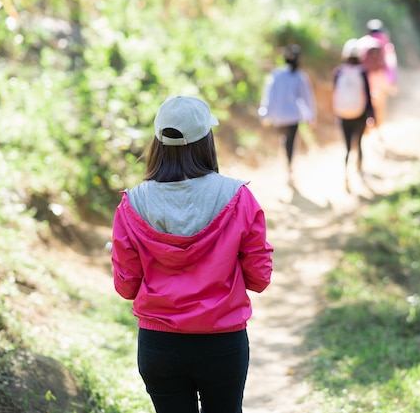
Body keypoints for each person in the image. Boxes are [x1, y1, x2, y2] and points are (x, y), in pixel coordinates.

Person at [111, 95, 273, 413]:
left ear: (158, 142)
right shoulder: (238, 197)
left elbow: (126, 286)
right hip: (222, 342)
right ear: (205, 142)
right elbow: (260, 277)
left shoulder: (133, 204)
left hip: (160, 344)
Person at [258, 44, 317, 184]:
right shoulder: (299, 76)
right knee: (291, 143)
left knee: (284, 140)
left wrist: (265, 114)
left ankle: (287, 166)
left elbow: (269, 95)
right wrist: (310, 116)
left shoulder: (276, 75)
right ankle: (289, 168)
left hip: (279, 117)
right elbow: (307, 98)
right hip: (292, 117)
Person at [332, 38, 375, 192]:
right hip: (360, 114)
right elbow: (368, 95)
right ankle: (360, 171)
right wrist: (372, 115)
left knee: (347, 147)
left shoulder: (338, 72)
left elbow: (335, 93)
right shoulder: (362, 72)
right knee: (360, 143)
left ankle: (345, 174)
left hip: (343, 114)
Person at [357, 19, 397, 128]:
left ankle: (366, 128)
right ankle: (378, 130)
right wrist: (393, 81)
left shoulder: (362, 42)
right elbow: (391, 62)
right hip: (381, 78)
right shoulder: (385, 42)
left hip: (365, 78)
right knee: (380, 106)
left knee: (366, 104)